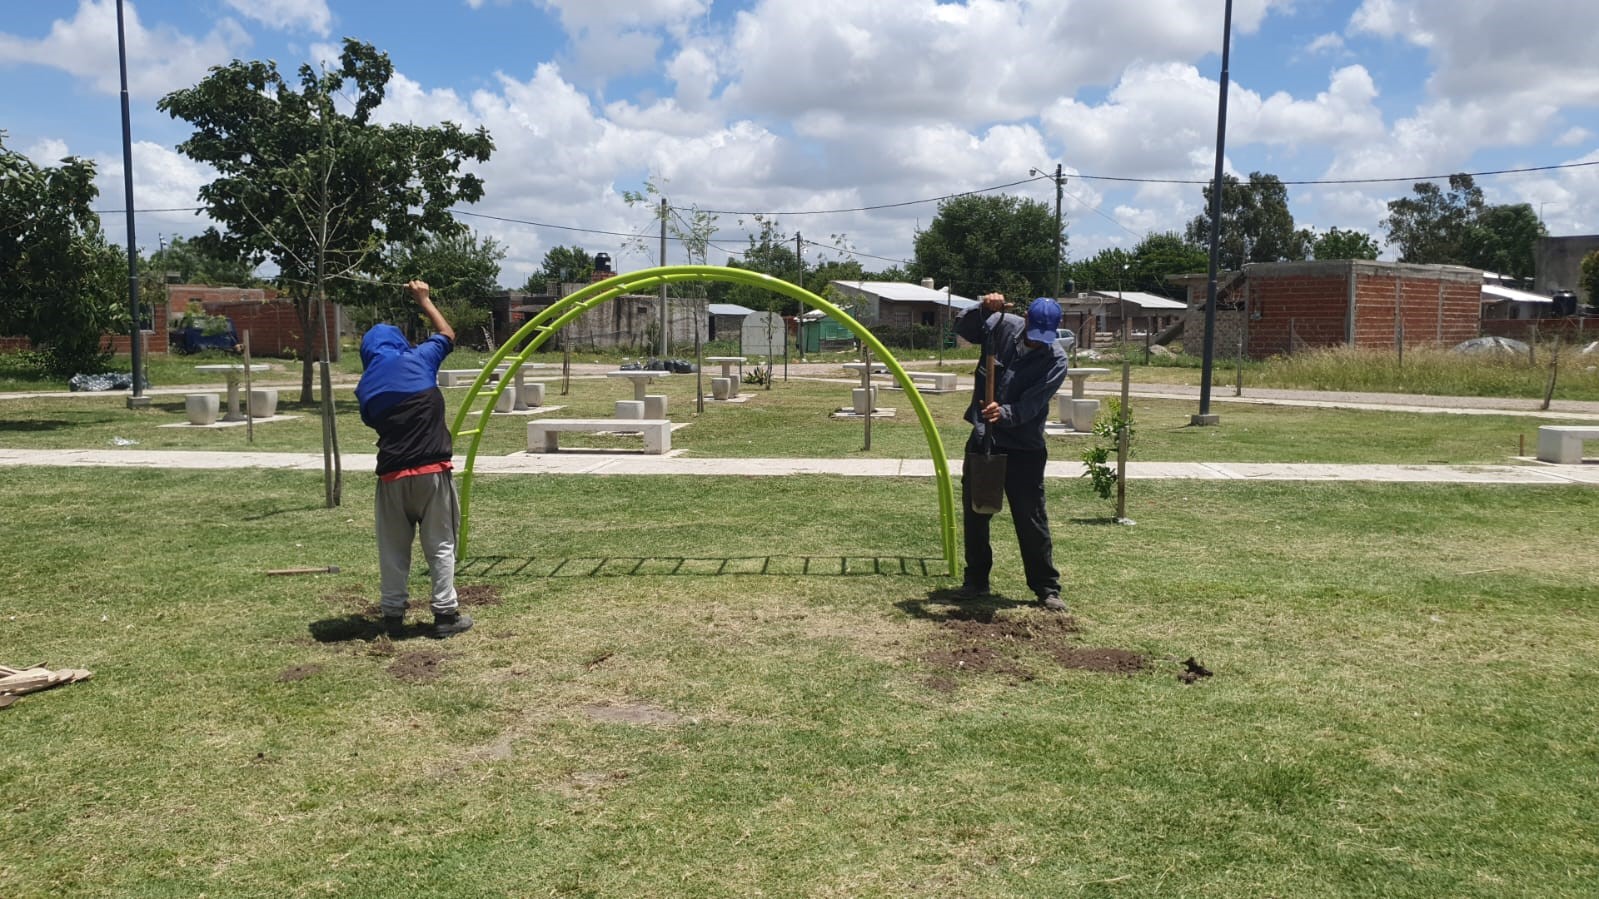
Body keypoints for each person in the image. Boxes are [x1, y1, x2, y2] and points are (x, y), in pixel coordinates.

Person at [356, 280, 473, 639]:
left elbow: (374, 421)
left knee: (392, 550)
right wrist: (424, 300)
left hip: (391, 477)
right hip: (432, 473)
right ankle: (445, 615)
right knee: (440, 545)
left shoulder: (365, 387)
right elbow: (447, 334)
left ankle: (392, 617)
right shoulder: (419, 358)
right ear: (399, 343)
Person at [953, 293, 1070, 612]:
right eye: (1034, 333)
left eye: (1045, 336)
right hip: (985, 439)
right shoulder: (1001, 325)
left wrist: (1004, 413)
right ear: (1026, 319)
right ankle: (976, 580)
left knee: (1031, 517)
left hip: (1024, 446)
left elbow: (1033, 404)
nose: (1038, 341)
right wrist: (982, 307)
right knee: (977, 511)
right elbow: (965, 329)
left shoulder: (1056, 360)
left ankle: (1046, 587)